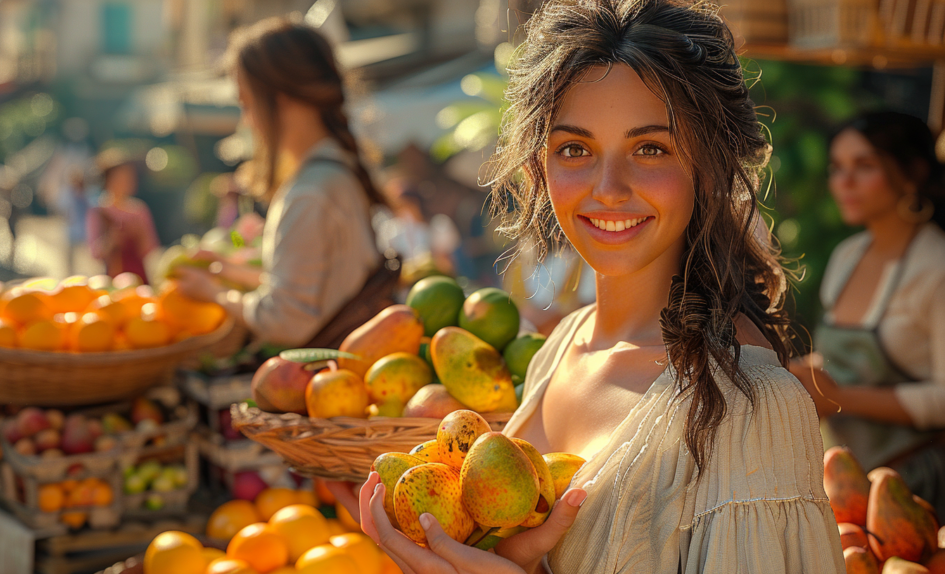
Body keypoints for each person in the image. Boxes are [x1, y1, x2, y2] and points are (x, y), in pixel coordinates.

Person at [330, 0, 846, 572]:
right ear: (538, 168)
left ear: (709, 165)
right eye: (575, 149)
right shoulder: (564, 344)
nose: (608, 188)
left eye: (650, 148)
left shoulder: (750, 404)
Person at [173, 19, 382, 348]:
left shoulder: (311, 191)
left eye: (246, 102)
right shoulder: (333, 174)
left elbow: (286, 319)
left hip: (320, 378)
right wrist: (228, 270)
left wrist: (214, 294)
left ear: (280, 98)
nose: (246, 119)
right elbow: (314, 292)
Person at [788, 112, 945, 517]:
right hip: (844, 486)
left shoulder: (936, 268)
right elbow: (843, 361)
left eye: (865, 166)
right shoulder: (847, 256)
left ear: (912, 174)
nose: (844, 182)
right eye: (837, 168)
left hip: (918, 489)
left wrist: (838, 398)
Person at [86, 153, 160, 283]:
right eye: (120, 178)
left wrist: (139, 233)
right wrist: (111, 240)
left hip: (138, 278)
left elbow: (150, 249)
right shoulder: (98, 212)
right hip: (110, 279)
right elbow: (94, 253)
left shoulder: (139, 210)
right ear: (108, 180)